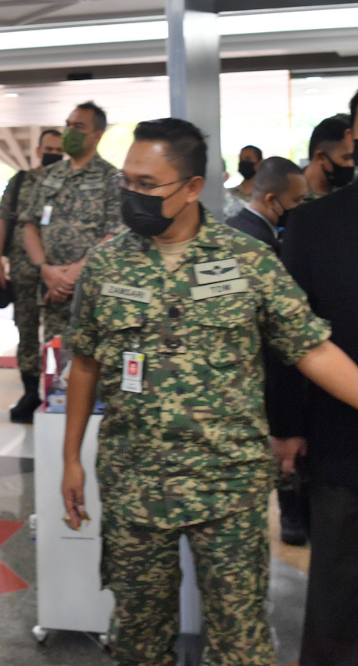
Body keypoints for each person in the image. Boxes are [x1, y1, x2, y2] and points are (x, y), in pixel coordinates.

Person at [60, 117, 358, 665]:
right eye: (127, 180)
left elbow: (311, 348)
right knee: (137, 640)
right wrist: (71, 459)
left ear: (193, 187)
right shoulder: (106, 265)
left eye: (148, 184)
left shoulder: (247, 261)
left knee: (240, 643)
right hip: (135, 482)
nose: (132, 194)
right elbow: (84, 363)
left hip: (229, 485)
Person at [273, 89, 358, 664]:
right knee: (337, 597)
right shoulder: (313, 225)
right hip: (342, 444)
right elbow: (287, 336)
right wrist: (288, 427)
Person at [226, 157, 310, 546]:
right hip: (260, 390)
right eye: (298, 201)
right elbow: (279, 342)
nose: (302, 209)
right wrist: (285, 425)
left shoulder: (235, 230)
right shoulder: (259, 247)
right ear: (273, 200)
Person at [22, 101, 123, 345]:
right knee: (56, 358)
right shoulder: (49, 174)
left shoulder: (111, 177)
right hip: (52, 291)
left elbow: (115, 233)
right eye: (68, 125)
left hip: (93, 292)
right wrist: (46, 270)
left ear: (96, 135)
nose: (69, 132)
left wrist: (73, 275)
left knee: (93, 358)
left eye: (78, 127)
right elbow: (30, 225)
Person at [0, 129, 63, 423]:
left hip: (56, 272)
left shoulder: (66, 181)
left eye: (58, 150)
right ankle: (30, 393)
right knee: (27, 331)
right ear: (38, 150)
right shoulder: (21, 181)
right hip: (23, 269)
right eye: (48, 149)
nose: (52, 154)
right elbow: (3, 219)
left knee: (58, 333)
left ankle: (58, 391)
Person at [301, 114, 355, 202]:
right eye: (346, 158)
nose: (352, 164)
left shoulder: (350, 193)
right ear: (321, 157)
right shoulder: (290, 195)